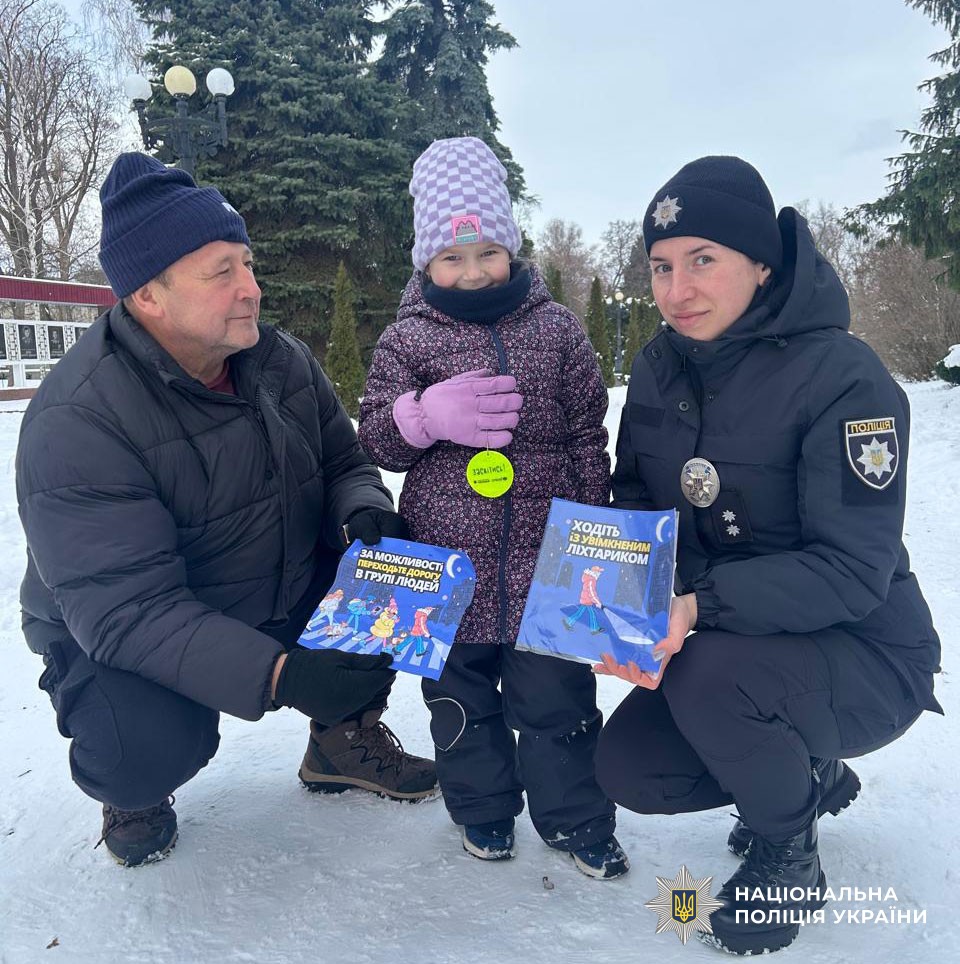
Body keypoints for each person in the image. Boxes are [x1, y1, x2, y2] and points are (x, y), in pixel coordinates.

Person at [16, 153, 438, 869]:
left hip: (269, 579)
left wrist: (366, 509)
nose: (252, 288)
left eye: (247, 264)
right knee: (142, 746)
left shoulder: (280, 360)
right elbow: (128, 613)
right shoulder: (79, 419)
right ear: (149, 295)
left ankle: (342, 736)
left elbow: (345, 463)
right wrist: (281, 675)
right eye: (222, 272)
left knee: (396, 574)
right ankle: (135, 789)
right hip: (128, 624)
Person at [593, 156, 942, 953]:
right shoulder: (656, 368)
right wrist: (621, 602)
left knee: (715, 677)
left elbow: (854, 570)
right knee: (632, 767)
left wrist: (697, 606)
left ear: (762, 262)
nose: (677, 290)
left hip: (866, 653)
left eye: (703, 260)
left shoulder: (844, 378)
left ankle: (789, 851)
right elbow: (639, 500)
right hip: (738, 647)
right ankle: (806, 774)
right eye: (660, 267)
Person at [358, 136, 628, 879]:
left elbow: (585, 431)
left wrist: (591, 534)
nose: (472, 272)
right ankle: (482, 810)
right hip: (447, 567)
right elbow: (377, 435)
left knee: (557, 702)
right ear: (427, 262)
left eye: (486, 253)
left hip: (546, 559)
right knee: (460, 702)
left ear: (510, 247)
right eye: (453, 257)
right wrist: (420, 416)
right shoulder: (407, 338)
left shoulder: (557, 330)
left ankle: (577, 819)